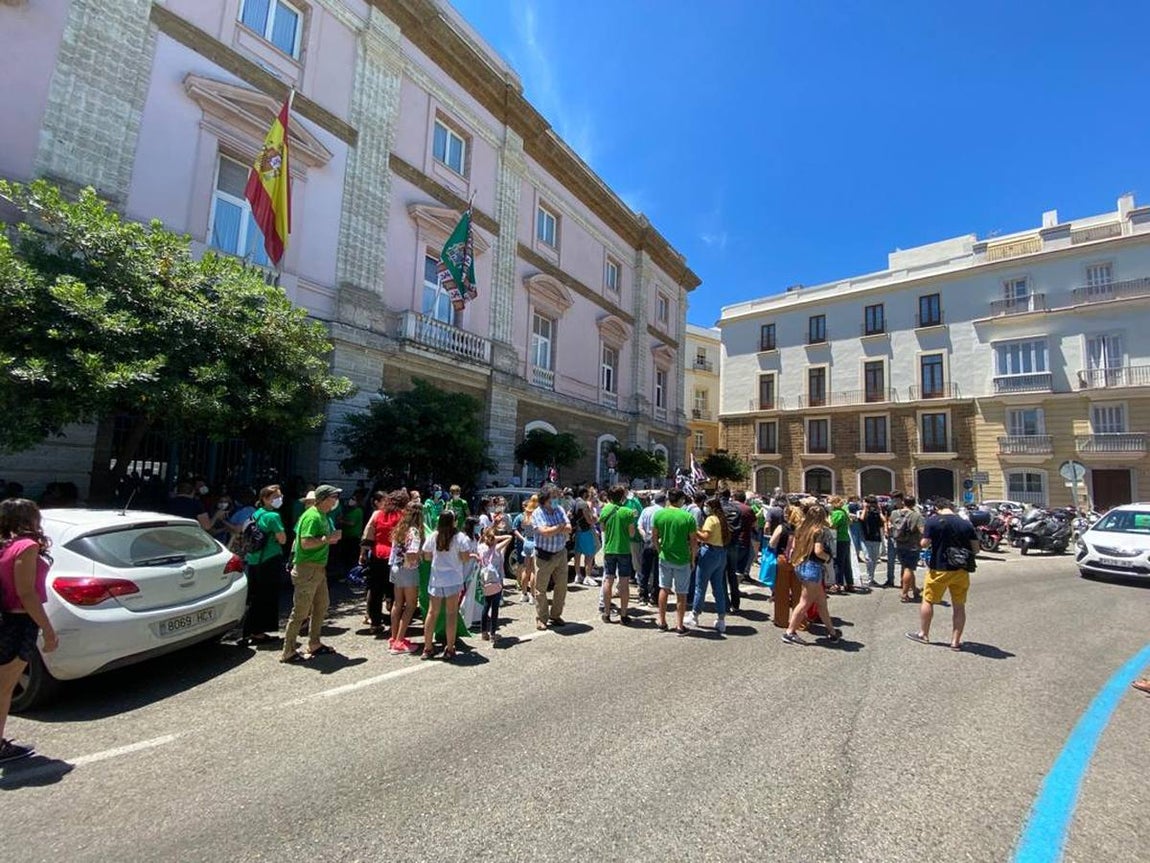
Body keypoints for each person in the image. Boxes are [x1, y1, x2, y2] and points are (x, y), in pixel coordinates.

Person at [0, 499, 58, 762]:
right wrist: (48, 630)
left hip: (5, 618)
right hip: (18, 623)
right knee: (4, 689)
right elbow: (27, 593)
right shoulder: (27, 547)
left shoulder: (5, 546)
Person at [280, 485, 342, 663]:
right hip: (307, 569)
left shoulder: (322, 515)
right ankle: (288, 651)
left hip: (318, 569)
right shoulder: (312, 516)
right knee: (300, 612)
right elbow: (306, 543)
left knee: (322, 605)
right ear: (323, 499)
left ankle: (314, 643)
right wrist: (326, 539)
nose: (336, 500)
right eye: (333, 497)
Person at [907, 500, 978, 650]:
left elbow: (924, 543)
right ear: (952, 508)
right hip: (961, 569)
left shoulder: (933, 522)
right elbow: (976, 549)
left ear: (937, 508)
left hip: (939, 567)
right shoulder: (966, 524)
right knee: (959, 605)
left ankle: (923, 634)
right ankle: (955, 642)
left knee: (928, 600)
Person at [782, 504, 842, 646]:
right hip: (813, 567)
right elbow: (818, 551)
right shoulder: (819, 531)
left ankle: (832, 632)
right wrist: (828, 558)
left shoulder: (802, 528)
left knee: (821, 602)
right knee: (804, 603)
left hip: (802, 565)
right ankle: (789, 632)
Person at [421, 510, 472, 659]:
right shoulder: (460, 537)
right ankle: (450, 648)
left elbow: (427, 556)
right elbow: (465, 558)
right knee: (451, 614)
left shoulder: (433, 536)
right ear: (454, 522)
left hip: (436, 579)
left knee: (432, 613)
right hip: (453, 580)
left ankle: (427, 647)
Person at [241, 485, 287, 646]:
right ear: (265, 499)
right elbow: (282, 539)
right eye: (275, 497)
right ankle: (259, 632)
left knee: (255, 597)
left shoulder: (256, 514)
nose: (279, 499)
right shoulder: (273, 516)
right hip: (270, 559)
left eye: (279, 496)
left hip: (254, 559)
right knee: (267, 597)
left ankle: (249, 631)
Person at [652, 488, 699, 634]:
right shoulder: (687, 517)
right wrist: (693, 559)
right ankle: (679, 625)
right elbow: (693, 541)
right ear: (681, 500)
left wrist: (660, 551)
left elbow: (654, 536)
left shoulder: (659, 514)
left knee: (664, 588)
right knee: (682, 593)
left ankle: (662, 621)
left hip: (665, 556)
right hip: (682, 558)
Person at [360, 490, 404, 636]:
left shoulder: (376, 514)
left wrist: (363, 554)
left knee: (375, 590)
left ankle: (375, 623)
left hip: (377, 554)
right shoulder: (401, 516)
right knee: (393, 591)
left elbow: (367, 535)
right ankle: (394, 623)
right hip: (393, 556)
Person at [530, 484, 572, 631]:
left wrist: (555, 528)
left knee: (561, 586)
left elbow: (569, 527)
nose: (556, 500)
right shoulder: (538, 513)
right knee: (541, 589)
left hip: (560, 553)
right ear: (545, 499)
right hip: (544, 556)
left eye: (557, 497)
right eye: (553, 497)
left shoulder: (559, 510)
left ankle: (556, 615)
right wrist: (560, 527)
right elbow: (544, 532)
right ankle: (542, 617)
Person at [686, 496, 729, 634]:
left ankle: (694, 614)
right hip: (721, 552)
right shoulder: (721, 520)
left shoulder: (711, 519)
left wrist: (694, 530)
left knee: (700, 585)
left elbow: (705, 537)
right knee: (718, 588)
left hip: (709, 552)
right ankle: (721, 618)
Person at [387, 501, 424, 655]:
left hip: (395, 567)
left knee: (397, 603)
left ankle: (394, 637)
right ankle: (400, 641)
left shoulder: (400, 528)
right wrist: (419, 557)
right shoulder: (414, 531)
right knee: (410, 605)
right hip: (408, 570)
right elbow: (412, 553)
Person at [598, 484, 636, 624]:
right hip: (624, 549)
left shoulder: (605, 509)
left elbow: (602, 528)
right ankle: (624, 614)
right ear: (622, 496)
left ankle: (607, 613)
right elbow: (632, 533)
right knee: (624, 582)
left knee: (608, 580)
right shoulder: (628, 512)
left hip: (609, 549)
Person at [476, 526, 512, 643]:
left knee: (486, 605)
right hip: (496, 581)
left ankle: (483, 632)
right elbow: (509, 537)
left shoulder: (480, 548)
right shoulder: (496, 548)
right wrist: (498, 537)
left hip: (485, 581)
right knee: (495, 607)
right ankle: (493, 634)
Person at [890, 496, 925, 602]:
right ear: (914, 504)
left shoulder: (894, 513)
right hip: (912, 545)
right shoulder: (917, 516)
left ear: (904, 502)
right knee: (909, 569)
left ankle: (914, 590)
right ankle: (904, 593)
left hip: (899, 544)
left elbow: (891, 525)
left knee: (907, 567)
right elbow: (922, 531)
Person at [637, 492, 665, 606]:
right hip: (658, 542)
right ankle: (654, 597)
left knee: (645, 570)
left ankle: (643, 596)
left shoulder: (646, 510)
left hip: (647, 541)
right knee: (658, 571)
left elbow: (639, 526)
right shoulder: (663, 511)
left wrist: (645, 536)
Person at [570, 485, 599, 586]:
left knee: (577, 555)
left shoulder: (573, 502)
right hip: (585, 531)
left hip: (576, 531)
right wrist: (595, 519)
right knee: (589, 555)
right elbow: (589, 520)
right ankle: (588, 576)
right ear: (584, 493)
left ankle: (578, 575)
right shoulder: (583, 504)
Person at [513, 495, 538, 603]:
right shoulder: (536, 516)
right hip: (534, 542)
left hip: (527, 542)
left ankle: (524, 594)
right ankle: (532, 595)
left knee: (525, 569)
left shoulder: (525, 517)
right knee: (533, 571)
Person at [828, 496, 854, 593]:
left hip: (838, 539)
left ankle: (838, 584)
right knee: (846, 562)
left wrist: (828, 518)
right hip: (845, 539)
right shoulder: (843, 512)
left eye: (830, 502)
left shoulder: (836, 513)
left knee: (838, 562)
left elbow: (832, 525)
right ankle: (849, 583)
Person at [859, 495, 885, 587]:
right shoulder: (862, 512)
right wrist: (865, 508)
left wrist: (879, 511)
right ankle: (869, 578)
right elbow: (862, 519)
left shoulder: (876, 513)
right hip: (865, 538)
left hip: (876, 538)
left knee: (874, 559)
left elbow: (884, 520)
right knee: (868, 558)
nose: (871, 505)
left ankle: (871, 578)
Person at [880, 491, 904, 587]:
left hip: (903, 538)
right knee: (891, 560)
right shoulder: (890, 508)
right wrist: (886, 529)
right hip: (892, 536)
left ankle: (903, 581)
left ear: (900, 499)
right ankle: (890, 580)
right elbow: (887, 519)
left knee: (903, 560)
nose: (893, 501)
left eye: (894, 499)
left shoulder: (906, 508)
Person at [847, 495, 865, 563]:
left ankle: (857, 555)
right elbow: (848, 513)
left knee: (857, 539)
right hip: (854, 524)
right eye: (855, 498)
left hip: (857, 524)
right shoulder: (851, 505)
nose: (856, 500)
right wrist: (855, 516)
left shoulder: (856, 505)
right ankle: (855, 556)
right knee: (855, 539)